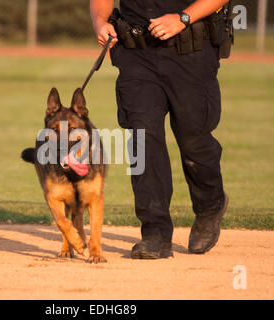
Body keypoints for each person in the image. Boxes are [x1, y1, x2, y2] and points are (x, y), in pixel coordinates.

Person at [90, 0, 230, 259]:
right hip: (137, 56)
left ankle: (210, 205)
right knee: (143, 140)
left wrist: (183, 18)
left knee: (193, 139)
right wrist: (101, 22)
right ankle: (155, 233)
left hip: (192, 52)